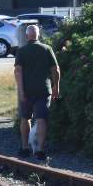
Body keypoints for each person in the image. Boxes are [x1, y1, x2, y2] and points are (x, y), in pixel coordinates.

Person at [14, 22, 60, 160]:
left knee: (25, 118)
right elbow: (55, 70)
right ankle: (40, 150)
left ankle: (24, 148)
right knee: (41, 119)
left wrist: (21, 91)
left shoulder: (21, 51)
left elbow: (17, 71)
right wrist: (56, 87)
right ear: (38, 35)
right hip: (44, 90)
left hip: (27, 90)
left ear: (27, 36)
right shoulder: (47, 49)